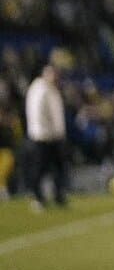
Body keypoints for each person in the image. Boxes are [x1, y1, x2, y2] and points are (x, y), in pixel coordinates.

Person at [24, 58, 70, 210]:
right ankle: (37, 197)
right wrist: (46, 131)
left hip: (52, 136)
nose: (56, 76)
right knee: (40, 169)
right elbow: (38, 115)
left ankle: (58, 196)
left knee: (58, 168)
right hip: (42, 137)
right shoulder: (39, 89)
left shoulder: (50, 89)